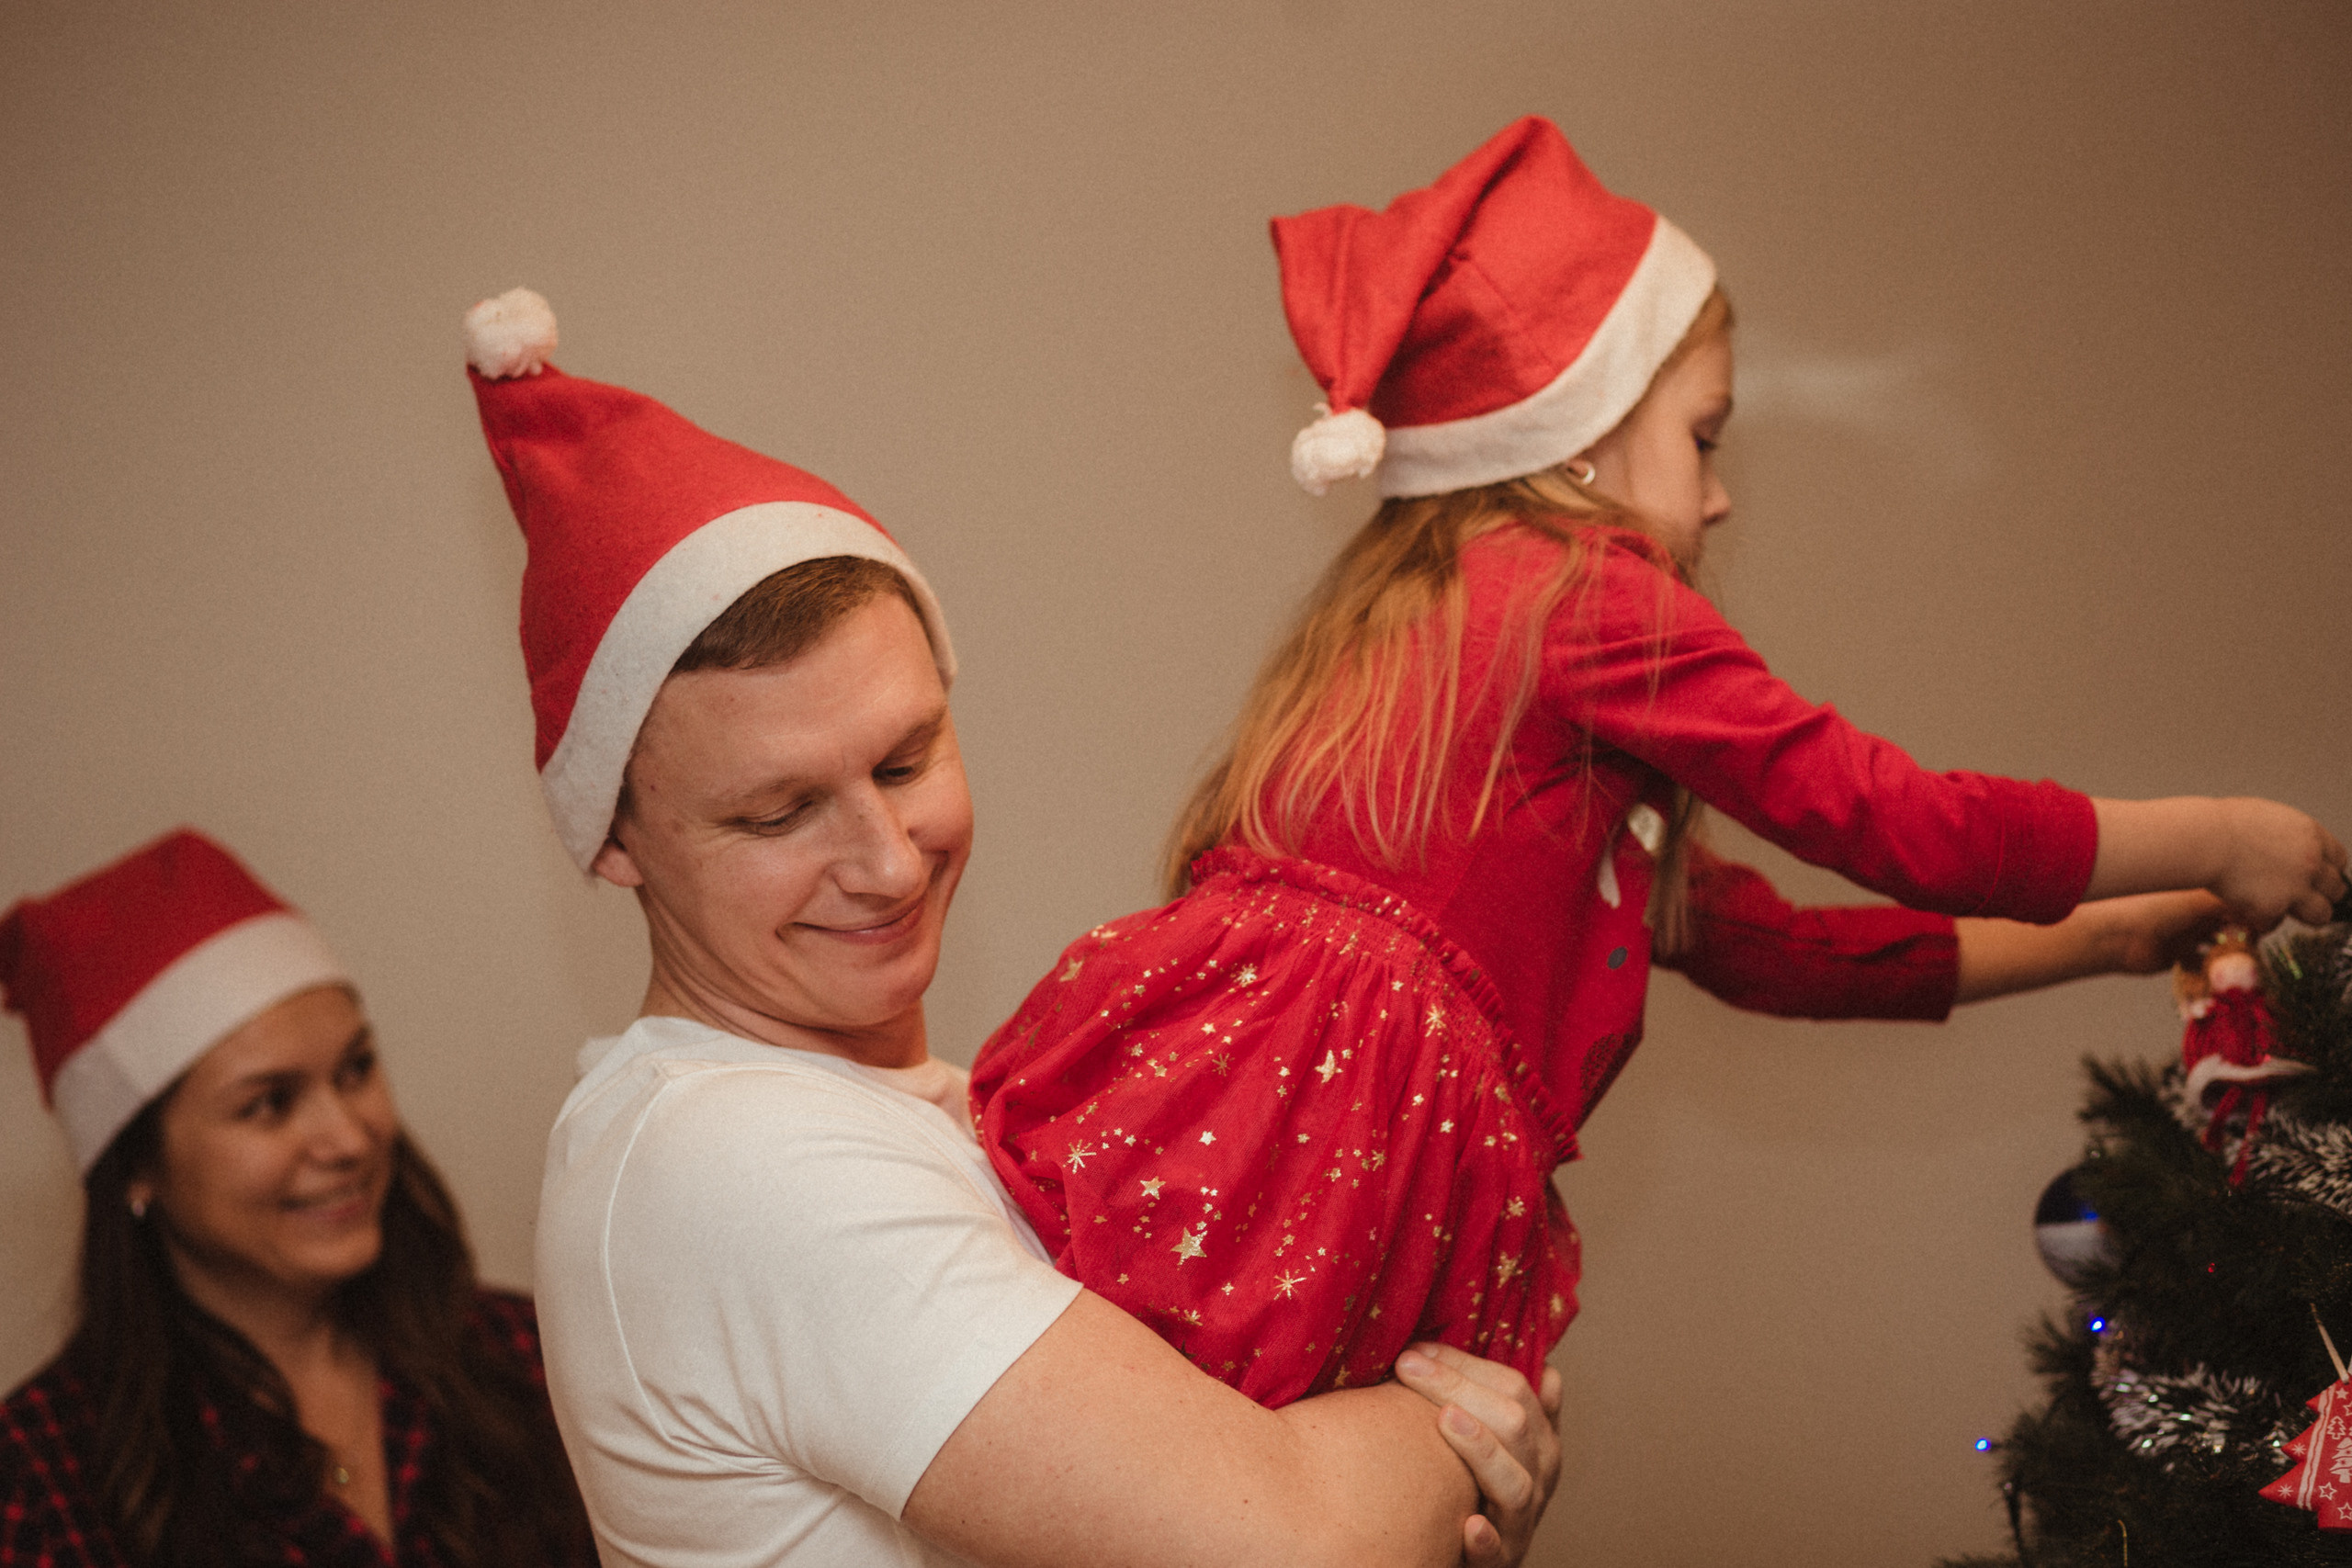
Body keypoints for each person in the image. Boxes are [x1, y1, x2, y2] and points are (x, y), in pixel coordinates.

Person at [967, 116, 2352, 1407]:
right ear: (1573, 439)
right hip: (1335, 1152)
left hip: (1270, 1135)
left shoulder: (1466, 661)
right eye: (1702, 436)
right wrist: (2220, 831)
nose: (1723, 489)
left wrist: (2110, 937)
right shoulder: (1581, 598)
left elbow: (1785, 951)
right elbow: (1897, 818)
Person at [461, 287, 1560, 1568]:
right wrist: (1467, 1421)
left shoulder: (937, 1116)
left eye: (907, 758)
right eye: (776, 813)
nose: (883, 861)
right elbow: (1297, 1540)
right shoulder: (729, 1160)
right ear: (614, 841)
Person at [0, 829, 594, 1568]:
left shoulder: (525, 1357)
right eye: (269, 1104)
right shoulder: (40, 1474)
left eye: (355, 1069)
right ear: (135, 1165)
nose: (348, 1137)